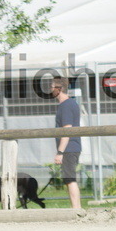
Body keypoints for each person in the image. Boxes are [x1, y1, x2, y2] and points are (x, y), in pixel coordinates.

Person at [51, 77, 82, 209]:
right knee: (69, 179)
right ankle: (76, 208)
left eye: (52, 87)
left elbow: (67, 130)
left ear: (59, 89)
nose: (51, 89)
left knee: (70, 180)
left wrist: (60, 152)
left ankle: (76, 209)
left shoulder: (66, 105)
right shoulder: (68, 104)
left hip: (69, 148)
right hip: (71, 147)